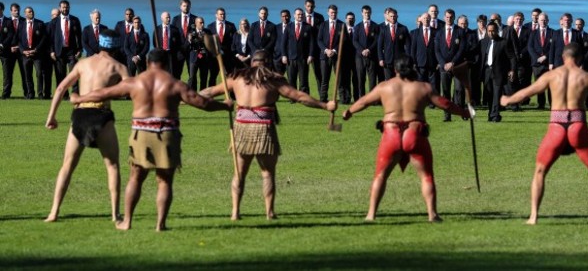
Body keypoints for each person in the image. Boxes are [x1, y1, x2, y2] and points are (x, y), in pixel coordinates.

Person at [71, 48, 231, 231]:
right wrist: (224, 106)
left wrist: (80, 98)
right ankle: (160, 224)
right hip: (167, 133)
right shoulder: (174, 84)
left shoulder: (135, 82)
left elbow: (103, 93)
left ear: (148, 63)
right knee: (164, 181)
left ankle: (127, 221)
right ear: (167, 63)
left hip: (142, 134)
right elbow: (202, 102)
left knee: (135, 178)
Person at [500, 42, 588, 227]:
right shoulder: (586, 77)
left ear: (563, 57)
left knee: (540, 171)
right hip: (578, 126)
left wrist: (507, 100)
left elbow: (527, 92)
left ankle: (533, 217)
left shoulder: (551, 75)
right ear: (580, 58)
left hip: (556, 126)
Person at [200, 50, 336, 220]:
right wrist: (324, 105)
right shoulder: (274, 80)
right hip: (263, 129)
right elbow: (299, 96)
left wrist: (190, 97)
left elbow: (210, 91)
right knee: (267, 173)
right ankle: (269, 212)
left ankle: (235, 212)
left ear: (252, 62)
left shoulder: (237, 78)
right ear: (268, 62)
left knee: (239, 173)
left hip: (242, 128)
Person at [342, 55, 470, 222]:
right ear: (413, 68)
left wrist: (349, 111)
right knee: (426, 176)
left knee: (380, 176)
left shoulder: (384, 87)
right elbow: (445, 104)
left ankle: (370, 214)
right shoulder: (423, 87)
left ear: (395, 70)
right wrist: (464, 112)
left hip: (390, 133)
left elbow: (364, 101)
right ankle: (432, 214)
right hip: (414, 133)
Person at [44, 30, 130, 223]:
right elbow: (129, 91)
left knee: (67, 166)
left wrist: (51, 117)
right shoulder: (118, 67)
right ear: (116, 46)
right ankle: (115, 215)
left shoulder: (83, 63)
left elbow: (60, 88)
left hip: (81, 115)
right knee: (112, 165)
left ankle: (53, 212)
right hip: (101, 114)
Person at [435, 9, 466, 122]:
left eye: (451, 17)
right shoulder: (439, 32)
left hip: (456, 65)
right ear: (444, 17)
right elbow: (437, 51)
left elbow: (462, 49)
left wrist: (453, 62)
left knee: (459, 90)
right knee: (446, 91)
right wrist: (444, 64)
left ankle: (462, 112)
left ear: (454, 18)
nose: (449, 19)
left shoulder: (460, 31)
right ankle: (447, 115)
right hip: (444, 68)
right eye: (447, 17)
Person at [50, 0, 83, 94]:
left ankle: (75, 93)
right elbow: (51, 38)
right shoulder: (54, 21)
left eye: (66, 7)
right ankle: (63, 94)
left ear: (69, 7)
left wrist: (80, 49)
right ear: (60, 8)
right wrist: (52, 51)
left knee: (74, 74)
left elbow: (79, 36)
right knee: (60, 75)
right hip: (59, 51)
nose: (65, 9)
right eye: (63, 7)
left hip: (71, 51)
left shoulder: (75, 20)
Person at [18, 6, 48, 99]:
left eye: (32, 11)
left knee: (39, 74)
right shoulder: (21, 24)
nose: (31, 13)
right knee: (27, 75)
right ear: (25, 14)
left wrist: (36, 49)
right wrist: (23, 51)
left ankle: (40, 94)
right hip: (25, 54)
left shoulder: (40, 23)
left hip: (37, 54)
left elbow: (43, 39)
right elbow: (18, 40)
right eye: (29, 12)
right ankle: (30, 94)